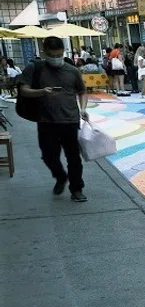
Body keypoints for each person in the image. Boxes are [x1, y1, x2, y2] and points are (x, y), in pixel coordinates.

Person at [17, 36, 90, 202]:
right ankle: (60, 176)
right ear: (44, 53)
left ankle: (77, 189)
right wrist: (42, 91)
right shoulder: (35, 69)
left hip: (70, 120)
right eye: (52, 55)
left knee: (73, 157)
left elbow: (82, 91)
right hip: (46, 121)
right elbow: (23, 90)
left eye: (59, 55)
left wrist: (83, 109)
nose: (56, 59)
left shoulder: (72, 71)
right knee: (48, 155)